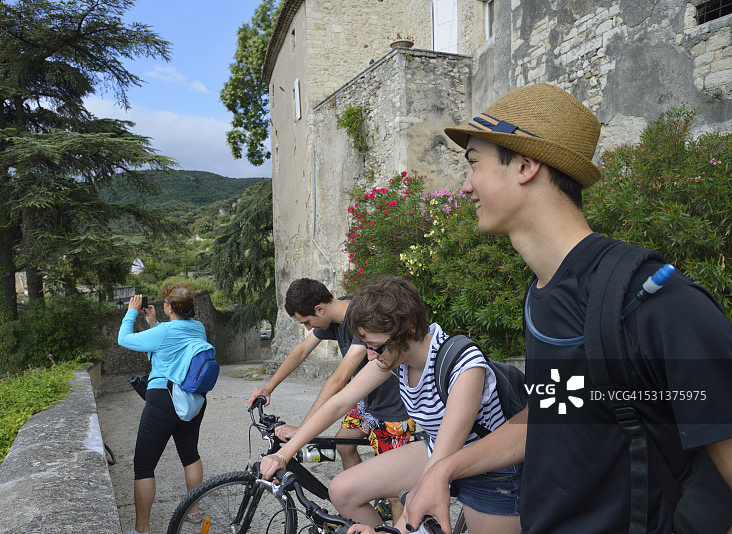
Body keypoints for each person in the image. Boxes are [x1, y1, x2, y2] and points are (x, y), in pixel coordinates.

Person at [402, 83, 732, 534]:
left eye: (473, 164)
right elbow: (553, 408)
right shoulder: (542, 293)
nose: (465, 188)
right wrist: (444, 469)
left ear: (524, 165)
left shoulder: (653, 300)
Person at [261, 276, 522, 534]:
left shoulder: (464, 366)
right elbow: (339, 403)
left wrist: (396, 530)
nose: (371, 355)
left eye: (376, 347)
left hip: (492, 470)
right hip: (438, 451)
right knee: (341, 490)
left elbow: (439, 466)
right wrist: (283, 455)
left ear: (407, 331)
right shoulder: (395, 355)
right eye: (366, 346)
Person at [249, 278, 414, 517]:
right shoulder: (334, 317)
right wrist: (269, 387)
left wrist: (303, 429)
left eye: (307, 322)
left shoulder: (361, 318)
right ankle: (364, 509)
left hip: (392, 409)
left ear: (319, 308)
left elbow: (338, 380)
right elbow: (302, 350)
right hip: (366, 400)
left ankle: (393, 516)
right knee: (343, 445)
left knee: (395, 491)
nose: (307, 328)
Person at [118, 284, 215, 534]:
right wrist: (153, 323)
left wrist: (131, 312)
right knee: (190, 454)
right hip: (192, 399)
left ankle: (141, 531)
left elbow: (124, 339)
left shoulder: (165, 332)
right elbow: (172, 348)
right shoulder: (198, 328)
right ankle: (193, 511)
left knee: (144, 466)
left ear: (169, 307)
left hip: (164, 401)